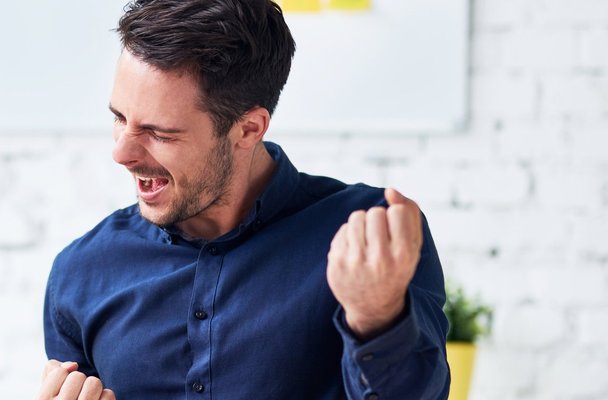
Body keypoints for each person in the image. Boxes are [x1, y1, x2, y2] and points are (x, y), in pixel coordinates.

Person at [36, 0, 449, 399]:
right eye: (119, 119)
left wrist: (376, 318)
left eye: (160, 133)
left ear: (249, 129)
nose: (122, 153)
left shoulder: (369, 237)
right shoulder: (81, 273)